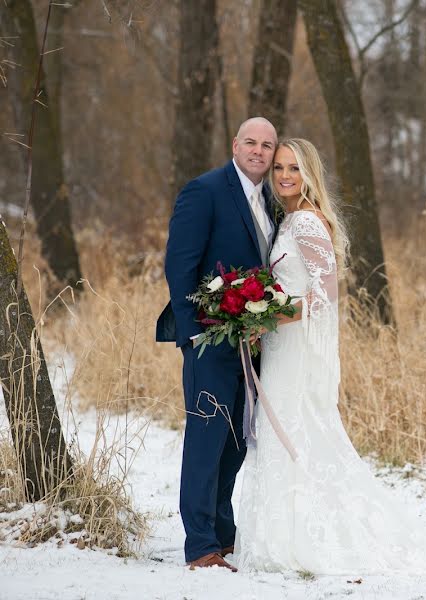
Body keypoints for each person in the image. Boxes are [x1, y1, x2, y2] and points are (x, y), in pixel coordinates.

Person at [236, 139, 426, 576]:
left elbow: (323, 297)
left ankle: (309, 538)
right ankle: (281, 532)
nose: (285, 176)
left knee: (300, 432)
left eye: (294, 168)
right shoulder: (289, 220)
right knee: (285, 435)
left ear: (310, 173)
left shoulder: (309, 223)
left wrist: (268, 316)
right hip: (280, 345)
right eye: (278, 168)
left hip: (295, 347)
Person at [156, 117, 279, 572]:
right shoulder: (204, 190)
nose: (259, 151)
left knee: (237, 443)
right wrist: (191, 333)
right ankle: (200, 545)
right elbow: (180, 265)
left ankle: (224, 534)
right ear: (235, 144)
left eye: (267, 145)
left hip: (255, 342)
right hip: (209, 338)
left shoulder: (272, 200)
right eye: (251, 141)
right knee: (207, 439)